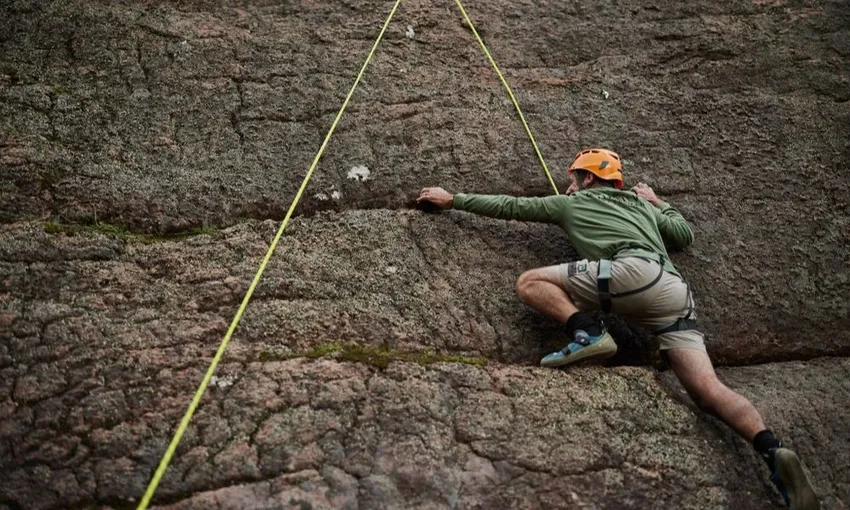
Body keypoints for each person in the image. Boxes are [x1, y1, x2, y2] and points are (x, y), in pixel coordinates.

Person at [416, 148, 819, 510]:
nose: (570, 185)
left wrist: (453, 199)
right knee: (708, 391)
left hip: (629, 275)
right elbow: (683, 234)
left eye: (574, 178)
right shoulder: (642, 206)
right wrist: (657, 202)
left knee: (530, 282)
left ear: (587, 178)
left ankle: (588, 332)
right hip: (673, 291)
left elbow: (511, 206)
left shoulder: (573, 203)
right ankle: (772, 449)